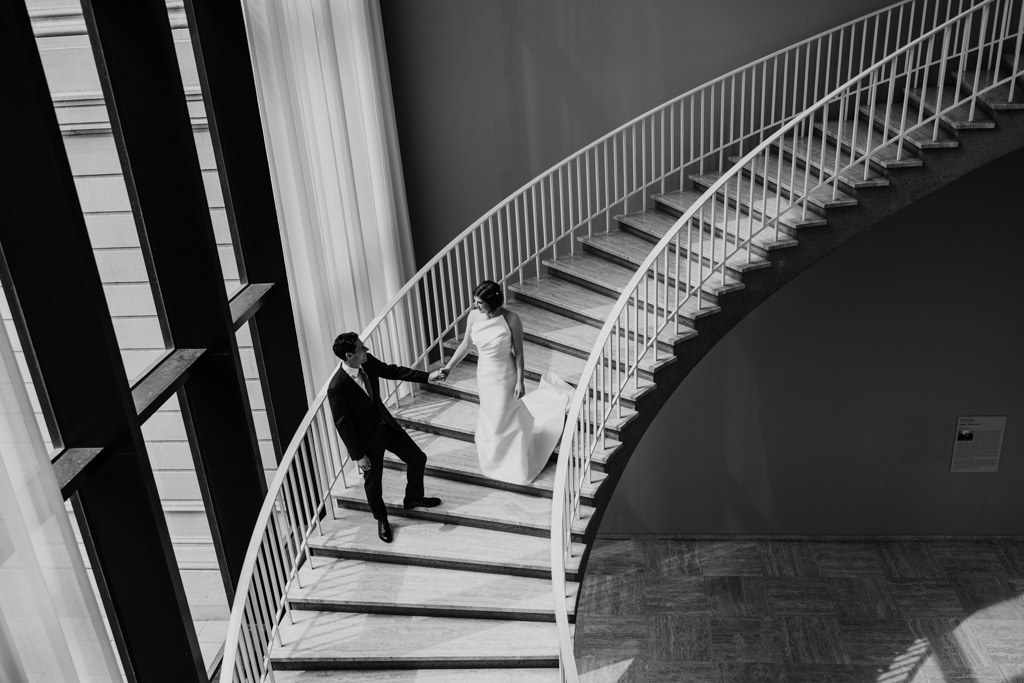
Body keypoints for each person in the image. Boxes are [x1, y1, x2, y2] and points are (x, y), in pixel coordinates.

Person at [438, 281, 572, 485]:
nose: (476, 306)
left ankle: (515, 461)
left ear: (492, 302)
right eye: (475, 302)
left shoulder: (511, 319)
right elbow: (466, 345)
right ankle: (494, 459)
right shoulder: (474, 316)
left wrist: (520, 381)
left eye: (480, 302)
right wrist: (449, 367)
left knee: (505, 415)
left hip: (506, 374)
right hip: (485, 375)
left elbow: (519, 352)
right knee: (491, 416)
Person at [327, 332, 446, 543]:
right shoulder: (337, 387)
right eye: (362, 348)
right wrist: (358, 455)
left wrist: (427, 376)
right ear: (349, 355)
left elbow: (392, 371)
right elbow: (343, 425)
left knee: (417, 458)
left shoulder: (367, 362)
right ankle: (382, 520)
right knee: (373, 485)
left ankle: (413, 498)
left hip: (386, 426)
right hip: (367, 441)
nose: (367, 350)